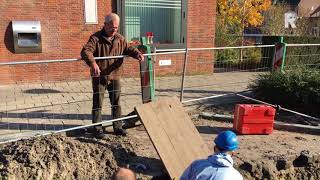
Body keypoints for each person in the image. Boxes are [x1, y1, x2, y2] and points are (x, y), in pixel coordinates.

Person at [81, 13, 144, 138]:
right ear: (105, 24)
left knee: (116, 102)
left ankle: (118, 127)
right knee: (97, 103)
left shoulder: (120, 39)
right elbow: (86, 51)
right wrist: (93, 63)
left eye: (116, 28)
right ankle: (97, 128)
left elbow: (129, 48)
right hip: (100, 77)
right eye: (112, 27)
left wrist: (137, 54)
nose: (114, 30)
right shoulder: (96, 38)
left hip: (115, 75)